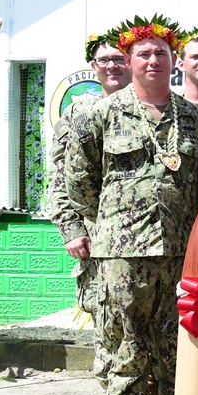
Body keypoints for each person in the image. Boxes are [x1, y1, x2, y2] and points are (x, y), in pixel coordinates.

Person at [65, 15, 198, 395]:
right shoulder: (99, 114)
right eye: (144, 53)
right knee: (120, 334)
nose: (153, 60)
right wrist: (102, 227)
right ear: (129, 61)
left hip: (180, 249)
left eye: (162, 53)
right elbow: (79, 180)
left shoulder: (193, 119)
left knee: (179, 332)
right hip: (120, 250)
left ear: (175, 62)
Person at [48, 29, 132, 316]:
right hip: (98, 237)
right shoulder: (78, 113)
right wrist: (71, 229)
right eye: (104, 60)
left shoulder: (156, 108)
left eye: (118, 59)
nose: (112, 66)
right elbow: (60, 176)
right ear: (93, 67)